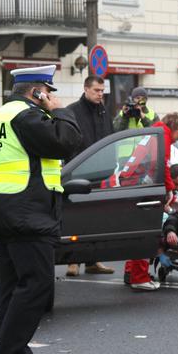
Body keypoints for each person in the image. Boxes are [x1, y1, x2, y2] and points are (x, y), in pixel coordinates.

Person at [0, 65, 81, 354]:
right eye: (48, 91)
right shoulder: (27, 116)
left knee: (13, 287)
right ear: (35, 91)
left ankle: (17, 351)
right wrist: (62, 112)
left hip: (6, 208)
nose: (51, 97)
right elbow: (65, 142)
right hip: (29, 212)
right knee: (37, 285)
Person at [121, 113, 178, 291]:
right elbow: (162, 165)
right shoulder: (162, 135)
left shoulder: (154, 133)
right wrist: (169, 190)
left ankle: (131, 273)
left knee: (137, 233)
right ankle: (139, 277)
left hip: (132, 183)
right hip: (140, 186)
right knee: (145, 233)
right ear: (173, 127)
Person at [65, 75, 115, 277]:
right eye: (96, 90)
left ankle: (93, 261)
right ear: (86, 89)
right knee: (76, 218)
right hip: (77, 173)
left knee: (96, 219)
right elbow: (67, 142)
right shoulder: (72, 111)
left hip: (100, 173)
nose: (100, 94)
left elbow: (110, 138)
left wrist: (112, 166)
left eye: (102, 91)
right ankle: (72, 261)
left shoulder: (103, 111)